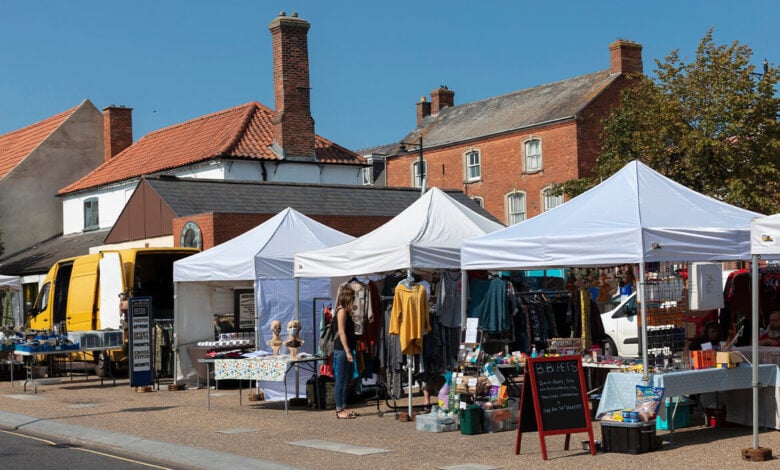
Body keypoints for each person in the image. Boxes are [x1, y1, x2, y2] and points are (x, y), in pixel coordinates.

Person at [334, 285, 357, 419]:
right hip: (342, 349)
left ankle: (343, 406)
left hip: (346, 349)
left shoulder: (346, 312)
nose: (354, 301)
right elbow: (341, 332)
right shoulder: (341, 311)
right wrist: (347, 351)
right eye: (353, 298)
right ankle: (339, 409)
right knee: (341, 379)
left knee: (346, 379)